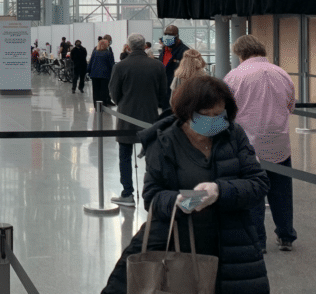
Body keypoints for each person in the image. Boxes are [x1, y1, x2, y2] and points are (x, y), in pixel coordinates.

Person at [101, 76, 270, 294]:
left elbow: (258, 183)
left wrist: (219, 191)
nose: (213, 121)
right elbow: (152, 197)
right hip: (176, 242)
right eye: (205, 115)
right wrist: (181, 201)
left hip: (233, 244)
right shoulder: (165, 142)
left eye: (219, 115)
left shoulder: (232, 135)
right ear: (187, 112)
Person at [224, 35, 297, 252]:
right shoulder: (282, 73)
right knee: (282, 191)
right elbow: (290, 106)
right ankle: (286, 236)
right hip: (279, 143)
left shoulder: (234, 77)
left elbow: (227, 112)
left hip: (249, 144)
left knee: (253, 192)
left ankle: (257, 240)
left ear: (240, 53)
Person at [107, 34, 168, 207]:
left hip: (126, 115)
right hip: (150, 116)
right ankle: (153, 192)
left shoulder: (121, 66)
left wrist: (123, 103)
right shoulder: (157, 66)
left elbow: (114, 93)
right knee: (152, 156)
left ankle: (127, 193)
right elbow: (163, 92)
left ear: (128, 46)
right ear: (143, 46)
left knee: (124, 156)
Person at [160, 24, 190, 105]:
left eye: (170, 35)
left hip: (176, 89)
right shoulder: (164, 50)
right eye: (166, 34)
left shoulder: (185, 51)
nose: (167, 37)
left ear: (177, 37)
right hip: (164, 90)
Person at [87, 39, 114, 107]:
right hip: (105, 75)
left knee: (95, 91)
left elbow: (90, 63)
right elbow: (111, 64)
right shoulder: (108, 53)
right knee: (104, 90)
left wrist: (88, 71)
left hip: (94, 75)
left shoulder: (95, 52)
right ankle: (103, 104)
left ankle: (96, 106)